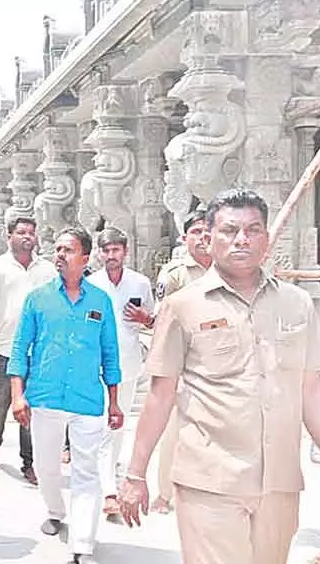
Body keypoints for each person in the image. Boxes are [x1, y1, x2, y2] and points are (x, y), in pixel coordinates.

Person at [119, 188, 320, 564]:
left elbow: (311, 390)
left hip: (279, 483)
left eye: (253, 230)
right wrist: (135, 474)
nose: (242, 239)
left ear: (267, 239)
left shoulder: (296, 303)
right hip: (209, 482)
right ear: (210, 236)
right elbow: (160, 395)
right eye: (230, 230)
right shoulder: (182, 307)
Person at [9, 226, 123, 564]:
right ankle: (55, 510)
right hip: (45, 397)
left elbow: (110, 353)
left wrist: (114, 401)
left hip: (87, 400)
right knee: (46, 467)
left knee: (86, 472)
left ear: (85, 258)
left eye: (67, 250)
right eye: (57, 249)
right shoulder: (38, 298)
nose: (59, 255)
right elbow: (19, 350)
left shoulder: (100, 301)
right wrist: (19, 395)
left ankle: (82, 545)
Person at [0, 216, 56, 482]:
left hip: (38, 350)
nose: (27, 237)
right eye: (21, 232)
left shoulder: (47, 270)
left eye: (31, 232)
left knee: (30, 407)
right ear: (9, 236)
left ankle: (29, 462)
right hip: (4, 350)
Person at [86, 227, 155, 515]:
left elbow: (153, 321)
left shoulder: (140, 283)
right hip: (96, 366)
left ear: (125, 252)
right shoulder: (91, 284)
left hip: (127, 365)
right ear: (99, 253)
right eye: (106, 250)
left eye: (116, 250)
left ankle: (107, 480)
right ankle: (108, 490)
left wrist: (144, 318)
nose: (111, 255)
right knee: (102, 425)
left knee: (117, 425)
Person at [149, 208, 211, 514]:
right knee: (174, 428)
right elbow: (163, 319)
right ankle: (165, 493)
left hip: (221, 361)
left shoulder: (228, 268)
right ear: (185, 238)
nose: (203, 238)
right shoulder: (175, 274)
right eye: (196, 232)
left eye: (207, 231)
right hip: (183, 360)